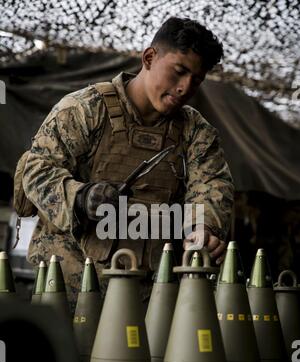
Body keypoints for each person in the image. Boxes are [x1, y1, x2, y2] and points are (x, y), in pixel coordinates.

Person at [21, 17, 234, 312]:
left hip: (151, 298)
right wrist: (82, 197)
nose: (185, 87)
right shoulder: (85, 109)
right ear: (149, 57)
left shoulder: (195, 131)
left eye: (196, 79)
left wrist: (203, 228)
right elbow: (36, 171)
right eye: (179, 71)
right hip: (73, 290)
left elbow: (211, 187)